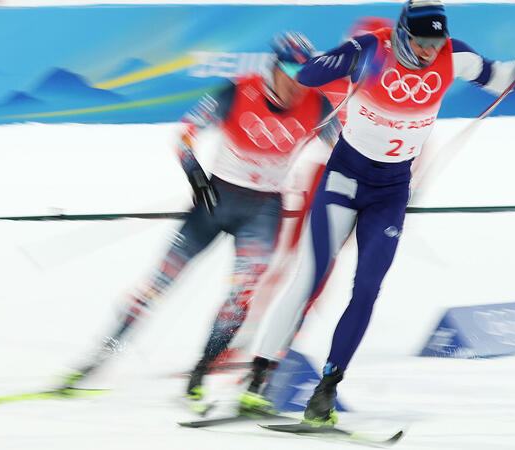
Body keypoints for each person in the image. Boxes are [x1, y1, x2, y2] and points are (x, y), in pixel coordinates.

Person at [239, 0, 515, 425]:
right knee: (309, 278)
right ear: (403, 33)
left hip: (390, 192)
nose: (427, 51)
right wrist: (351, 64)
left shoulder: (452, 55)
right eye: (420, 41)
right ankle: (257, 378)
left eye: (434, 41)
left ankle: (326, 389)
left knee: (367, 288)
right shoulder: (371, 48)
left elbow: (499, 76)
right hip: (344, 181)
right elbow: (310, 74)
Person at [59, 32, 340, 414]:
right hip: (214, 201)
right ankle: (98, 361)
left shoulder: (318, 105)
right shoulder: (236, 92)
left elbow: (346, 151)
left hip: (264, 211)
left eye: (304, 74)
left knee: (241, 295)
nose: (296, 82)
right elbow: (186, 134)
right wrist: (195, 174)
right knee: (157, 285)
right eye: (289, 71)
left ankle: (200, 373)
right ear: (273, 67)